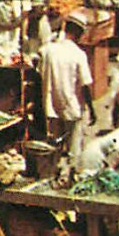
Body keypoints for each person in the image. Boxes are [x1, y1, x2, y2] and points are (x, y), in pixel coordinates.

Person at [41, 19, 94, 168]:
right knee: (74, 147)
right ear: (79, 34)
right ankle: (71, 177)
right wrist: (92, 109)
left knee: (54, 144)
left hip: (52, 106)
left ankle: (51, 173)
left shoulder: (48, 50)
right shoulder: (79, 54)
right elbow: (85, 85)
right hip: (73, 107)